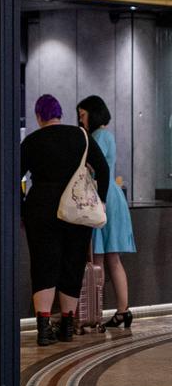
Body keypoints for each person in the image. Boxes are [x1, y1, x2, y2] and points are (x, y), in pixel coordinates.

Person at [21, 94, 109, 345]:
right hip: (77, 208)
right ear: (60, 113)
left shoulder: (32, 141)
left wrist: (20, 207)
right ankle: (68, 326)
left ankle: (44, 328)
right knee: (72, 264)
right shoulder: (81, 136)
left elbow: (13, 175)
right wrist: (100, 200)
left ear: (39, 116)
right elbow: (102, 169)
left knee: (44, 264)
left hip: (41, 208)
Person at [76, 95, 136, 330]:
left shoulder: (96, 137)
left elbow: (90, 168)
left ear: (93, 113)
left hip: (100, 198)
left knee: (97, 259)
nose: (81, 120)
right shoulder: (108, 135)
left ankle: (95, 315)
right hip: (115, 197)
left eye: (83, 114)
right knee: (114, 259)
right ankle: (123, 311)